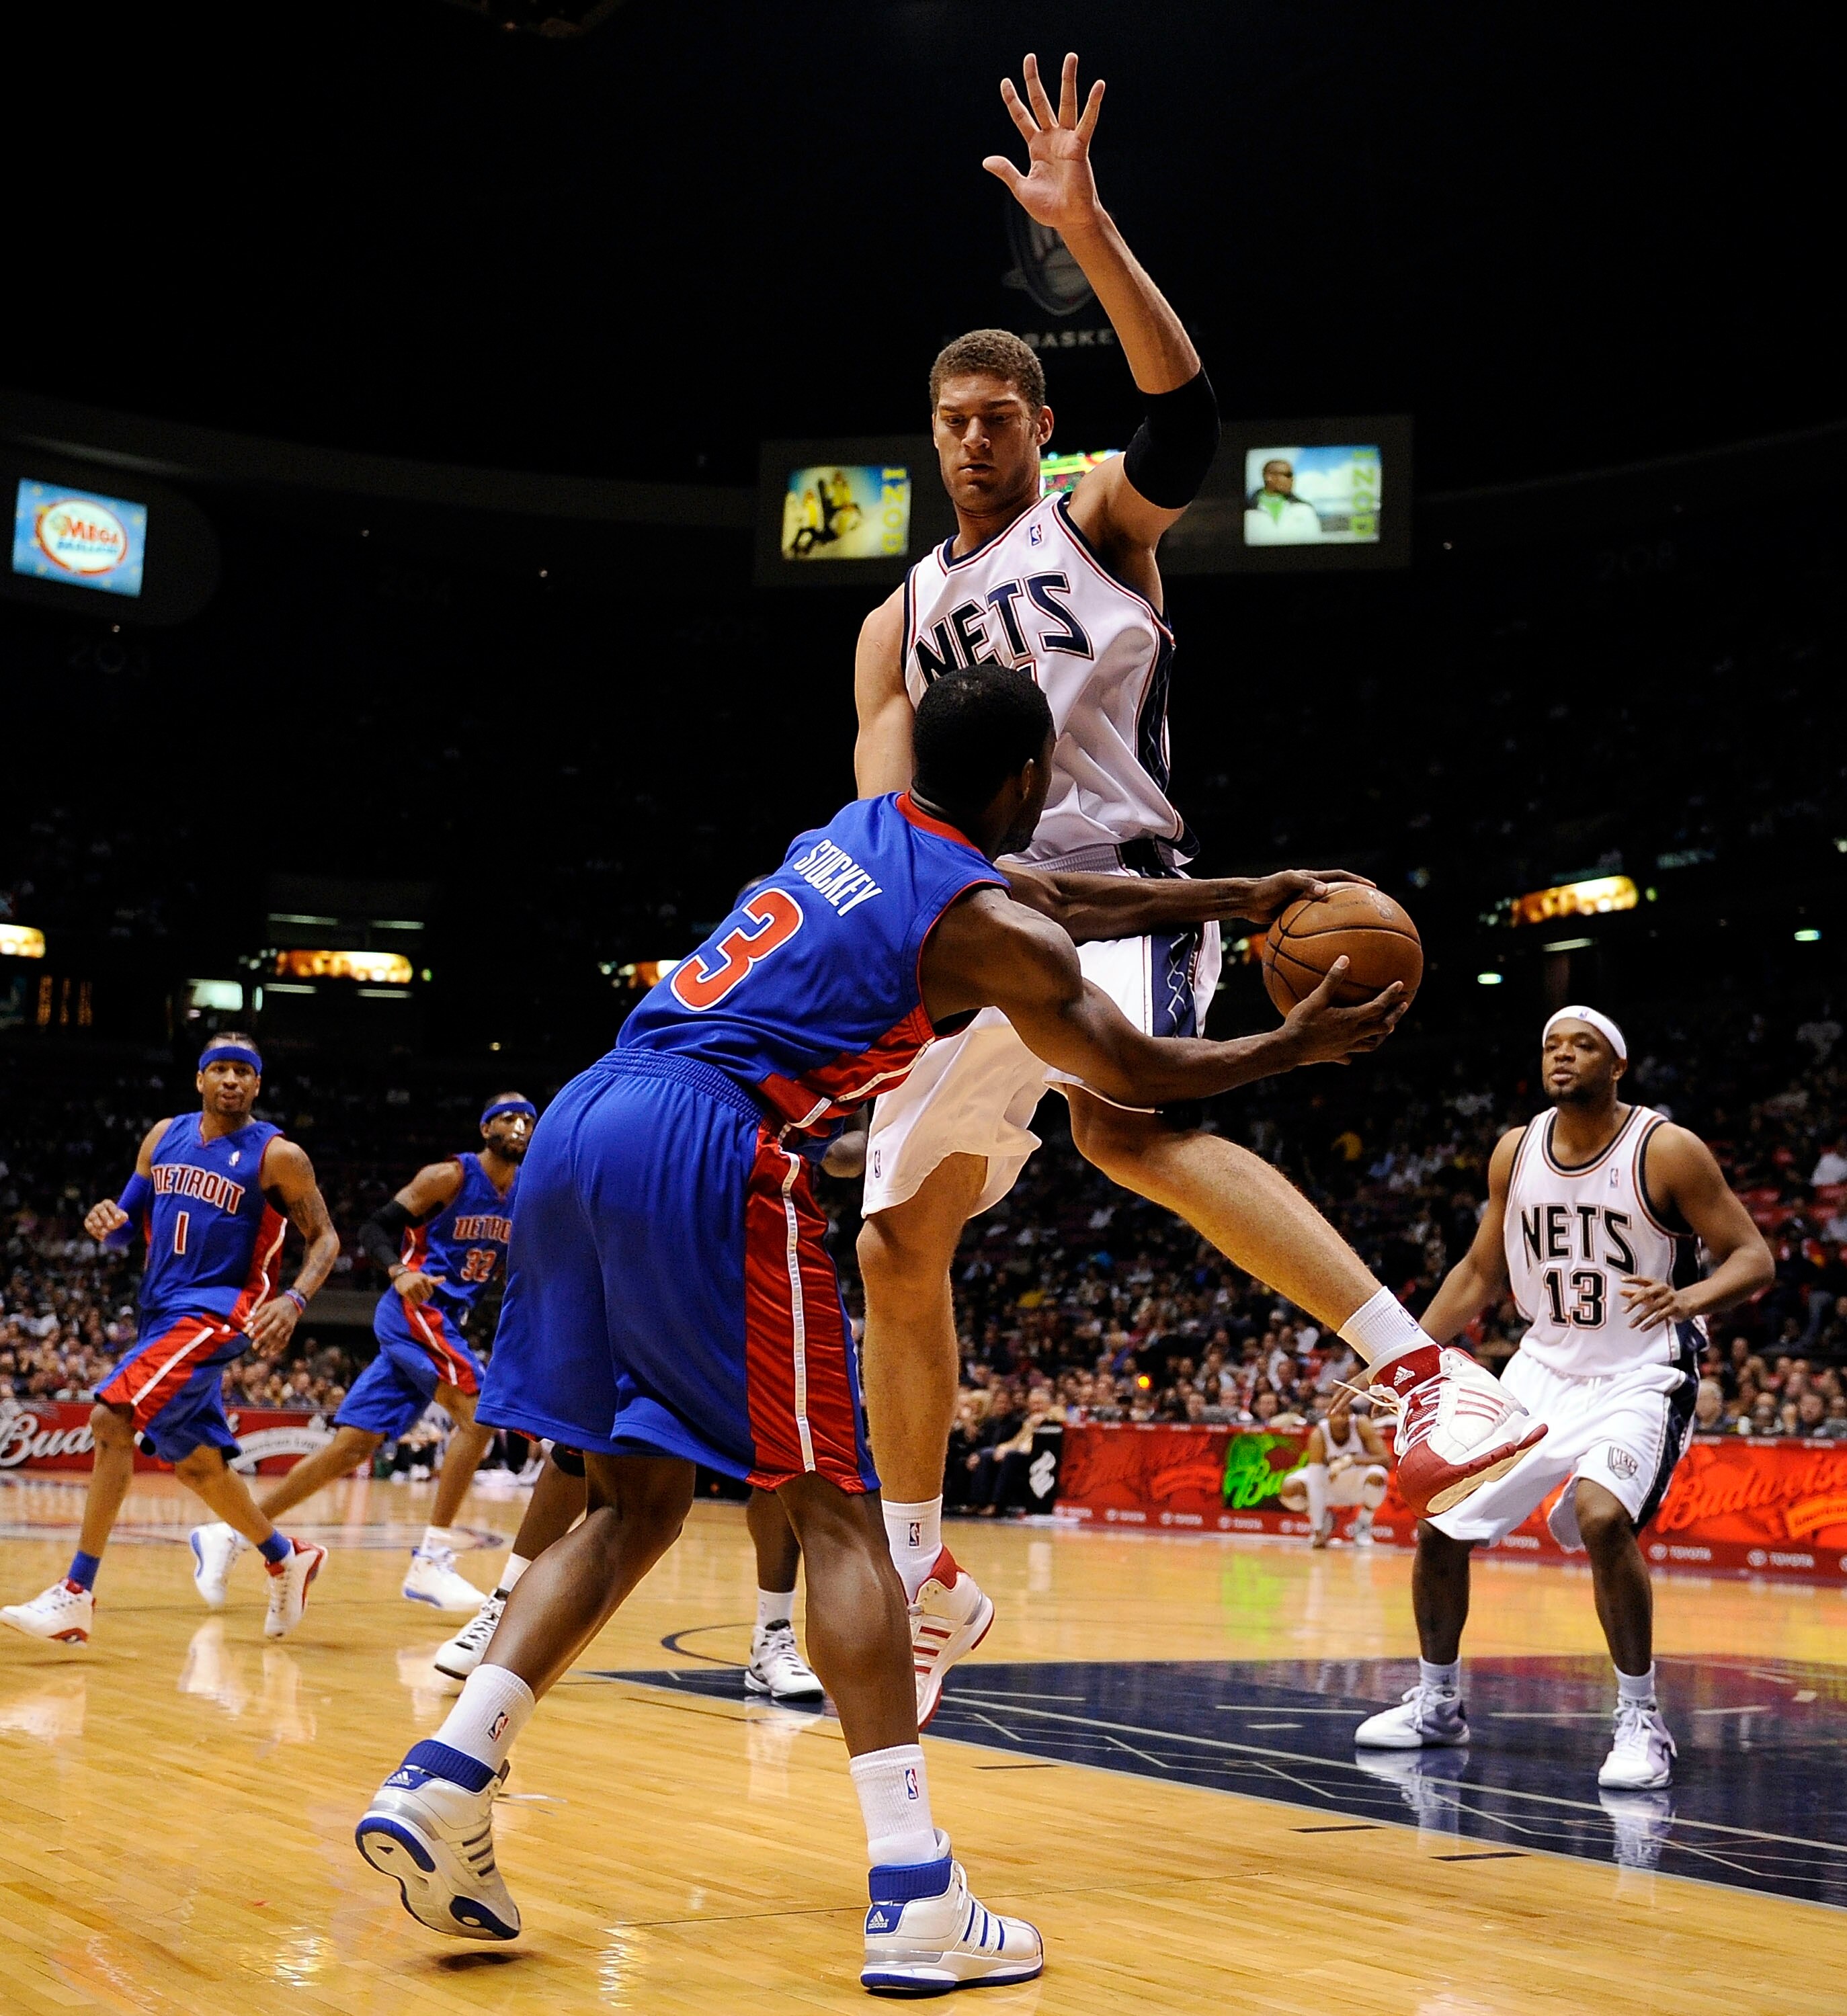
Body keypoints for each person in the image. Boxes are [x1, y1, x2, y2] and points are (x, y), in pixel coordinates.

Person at [351, 663, 1534, 1994]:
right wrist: (1289, 1048)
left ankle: (448, 1777)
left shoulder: (854, 834)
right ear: (1029, 783)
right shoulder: (987, 927)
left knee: (631, 1505)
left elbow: (1061, 899)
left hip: (586, 1122)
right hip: (717, 1150)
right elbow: (1130, 1071)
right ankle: (913, 1889)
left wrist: (1237, 897)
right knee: (837, 1517)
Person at [849, 52, 1538, 1729]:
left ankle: (1424, 1372)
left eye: (996, 418)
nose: (969, 442)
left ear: (1036, 431)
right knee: (892, 1239)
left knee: (1125, 1131)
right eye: (948, 422)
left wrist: (1084, 228)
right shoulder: (889, 620)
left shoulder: (1094, 528)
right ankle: (927, 1575)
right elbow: (886, 825)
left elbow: (1187, 421)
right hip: (980, 929)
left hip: (1127, 890)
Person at [1354, 1007, 1774, 1790]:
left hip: (1641, 1369)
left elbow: (1754, 1257)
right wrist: (1395, 1355)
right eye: (1552, 1045)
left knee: (1604, 1516)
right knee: (1441, 1520)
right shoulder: (1516, 1150)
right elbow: (1480, 1274)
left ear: (1618, 1065)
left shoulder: (1666, 1150)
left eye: (1582, 1045)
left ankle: (1642, 1721)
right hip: (1542, 1368)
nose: (1562, 1056)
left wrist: (1691, 1300)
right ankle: (1438, 1706)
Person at [1, 1036, 337, 1645]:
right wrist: (107, 1224)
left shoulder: (278, 1155)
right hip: (160, 1313)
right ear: (200, 1080)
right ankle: (285, 1555)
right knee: (200, 1468)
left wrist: (295, 1299)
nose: (231, 1080)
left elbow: (327, 1239)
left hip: (219, 1312)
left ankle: (77, 1592)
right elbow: (123, 1233)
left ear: (257, 1085)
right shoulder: (162, 1137)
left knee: (109, 1419)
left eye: (243, 1072)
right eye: (220, 1070)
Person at [190, 1095, 534, 1613]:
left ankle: (233, 1534)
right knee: (479, 1414)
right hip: (416, 1309)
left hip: (446, 1322)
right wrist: (400, 1271)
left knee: (350, 1449)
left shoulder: (523, 1197)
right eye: (509, 1117)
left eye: (529, 1118)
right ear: (486, 1128)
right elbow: (374, 1227)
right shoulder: (450, 1177)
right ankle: (431, 1558)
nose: (521, 1125)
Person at [432, 1441, 827, 1704]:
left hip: (749, 1320)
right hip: (654, 1316)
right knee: (581, 1444)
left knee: (781, 1456)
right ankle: (504, 1607)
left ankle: (771, 1636)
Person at [1279, 1390, 1389, 1546]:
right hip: (1328, 1482)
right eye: (1336, 1414)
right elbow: (1316, 1482)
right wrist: (1317, 1530)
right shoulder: (1318, 1434)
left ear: (1350, 1414)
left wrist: (1350, 1460)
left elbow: (1386, 1460)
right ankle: (1324, 1521)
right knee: (1290, 1489)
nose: (1341, 1419)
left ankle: (1363, 1524)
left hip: (1356, 1481)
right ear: (1328, 1415)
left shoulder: (1361, 1424)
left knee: (1378, 1475)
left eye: (1345, 1414)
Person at [1242, 458, 1324, 543]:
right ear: (1269, 477)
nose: (1292, 479)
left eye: (1292, 475)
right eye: (1288, 475)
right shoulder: (1247, 510)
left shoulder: (1305, 509)